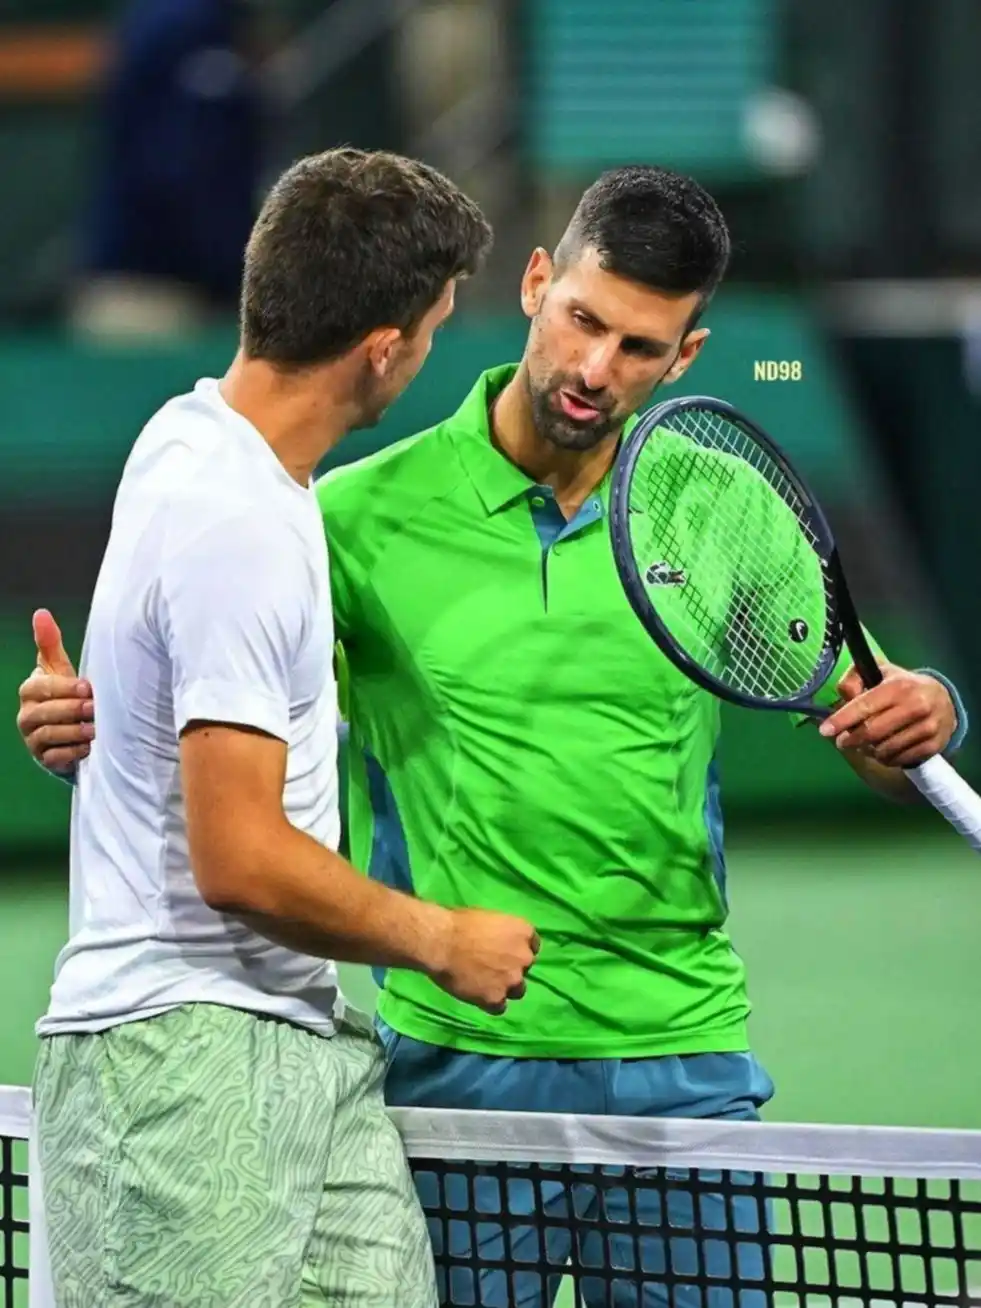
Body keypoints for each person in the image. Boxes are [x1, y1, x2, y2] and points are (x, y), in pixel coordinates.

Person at [19, 165, 966, 1307]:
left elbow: (859, 710)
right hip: (457, 1066)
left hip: (681, 1058)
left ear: (688, 359)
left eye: (640, 349)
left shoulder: (726, 506)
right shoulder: (345, 517)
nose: (594, 369)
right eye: (583, 321)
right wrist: (100, 717)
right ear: (534, 284)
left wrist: (926, 708)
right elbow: (229, 705)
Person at [20, 145, 541, 1308]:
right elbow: (238, 859)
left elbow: (169, 716)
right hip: (178, 1059)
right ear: (382, 349)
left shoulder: (198, 445)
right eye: (438, 321)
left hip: (298, 1040)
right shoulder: (237, 520)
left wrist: (94, 742)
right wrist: (440, 940)